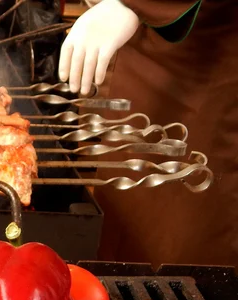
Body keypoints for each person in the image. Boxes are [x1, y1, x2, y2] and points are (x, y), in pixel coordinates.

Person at [58, 0, 238, 267]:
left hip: (208, 54)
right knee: (122, 208)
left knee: (182, 236)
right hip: (135, 44)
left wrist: (130, 3)